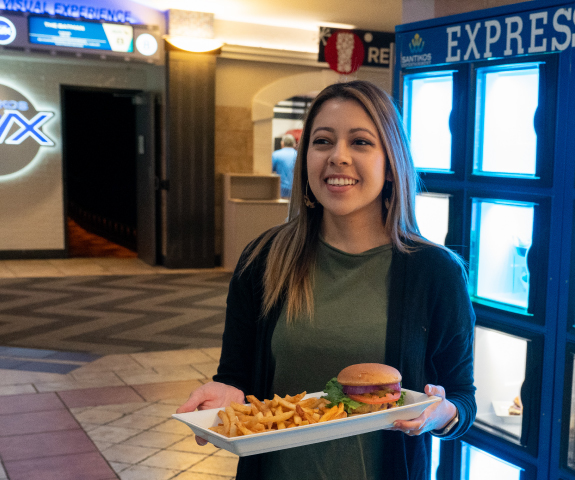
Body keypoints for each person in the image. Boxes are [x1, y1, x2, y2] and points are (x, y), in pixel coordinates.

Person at [177, 80, 476, 480]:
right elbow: (237, 377)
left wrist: (443, 413)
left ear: (391, 162)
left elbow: (462, 398)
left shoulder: (435, 272)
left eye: (361, 142)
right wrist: (225, 396)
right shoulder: (263, 259)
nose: (338, 157)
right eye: (322, 141)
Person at [271, 134, 298, 198]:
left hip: (280, 190)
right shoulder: (299, 155)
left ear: (282, 143)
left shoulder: (275, 155)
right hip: (296, 189)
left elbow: (270, 171)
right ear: (294, 144)